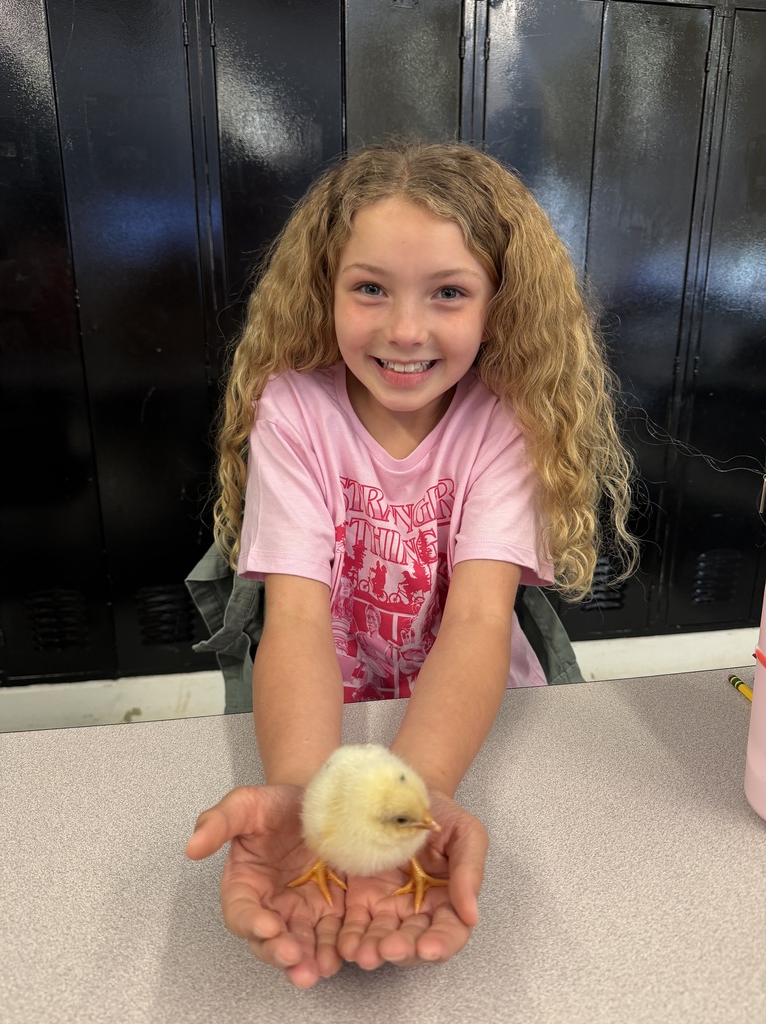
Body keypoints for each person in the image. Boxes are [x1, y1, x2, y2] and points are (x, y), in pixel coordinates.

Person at [184, 139, 638, 988]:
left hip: (460, 723)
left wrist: (405, 809)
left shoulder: (506, 420)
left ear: (500, 306)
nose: (403, 330)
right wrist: (303, 797)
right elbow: (297, 616)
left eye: (450, 294)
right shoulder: (293, 410)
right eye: (369, 289)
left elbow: (476, 620)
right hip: (333, 710)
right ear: (326, 288)